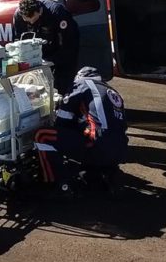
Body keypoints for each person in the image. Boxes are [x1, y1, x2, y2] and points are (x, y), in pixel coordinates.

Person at [34, 67, 128, 196]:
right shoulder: (110, 90)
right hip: (120, 150)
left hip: (98, 147)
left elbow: (62, 121)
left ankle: (56, 185)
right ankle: (109, 173)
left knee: (42, 135)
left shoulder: (82, 84)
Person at [12, 0, 79, 94]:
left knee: (63, 85)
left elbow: (69, 43)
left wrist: (53, 60)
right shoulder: (18, 16)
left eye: (34, 20)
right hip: (41, 50)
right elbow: (19, 42)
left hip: (62, 47)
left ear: (39, 11)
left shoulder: (57, 12)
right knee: (38, 86)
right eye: (28, 21)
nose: (31, 23)